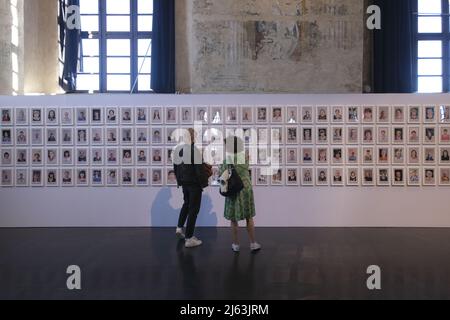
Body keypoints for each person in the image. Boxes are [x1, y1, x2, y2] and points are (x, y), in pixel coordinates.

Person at [220, 136, 261, 253]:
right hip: (246, 189)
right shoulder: (245, 158)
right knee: (249, 217)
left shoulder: (227, 160)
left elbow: (222, 174)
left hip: (233, 190)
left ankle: (236, 244)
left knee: (233, 219)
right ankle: (253, 243)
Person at [173, 128, 210, 248]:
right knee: (194, 210)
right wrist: (204, 182)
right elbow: (199, 170)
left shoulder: (178, 150)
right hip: (194, 184)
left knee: (186, 204)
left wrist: (180, 181)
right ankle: (189, 238)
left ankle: (179, 227)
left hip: (184, 183)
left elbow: (176, 168)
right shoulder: (194, 150)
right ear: (192, 137)